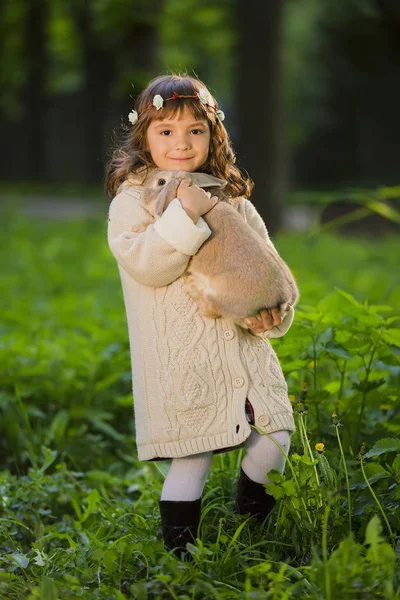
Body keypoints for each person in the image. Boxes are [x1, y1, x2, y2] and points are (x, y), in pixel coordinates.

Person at [105, 74, 296, 559]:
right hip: (184, 360)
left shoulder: (234, 202)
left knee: (274, 436)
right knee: (193, 455)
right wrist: (185, 215)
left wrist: (270, 317)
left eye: (195, 131)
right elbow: (148, 265)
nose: (181, 143)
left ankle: (254, 534)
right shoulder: (133, 202)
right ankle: (181, 559)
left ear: (214, 137)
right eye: (166, 131)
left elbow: (268, 271)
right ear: (144, 137)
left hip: (246, 355)